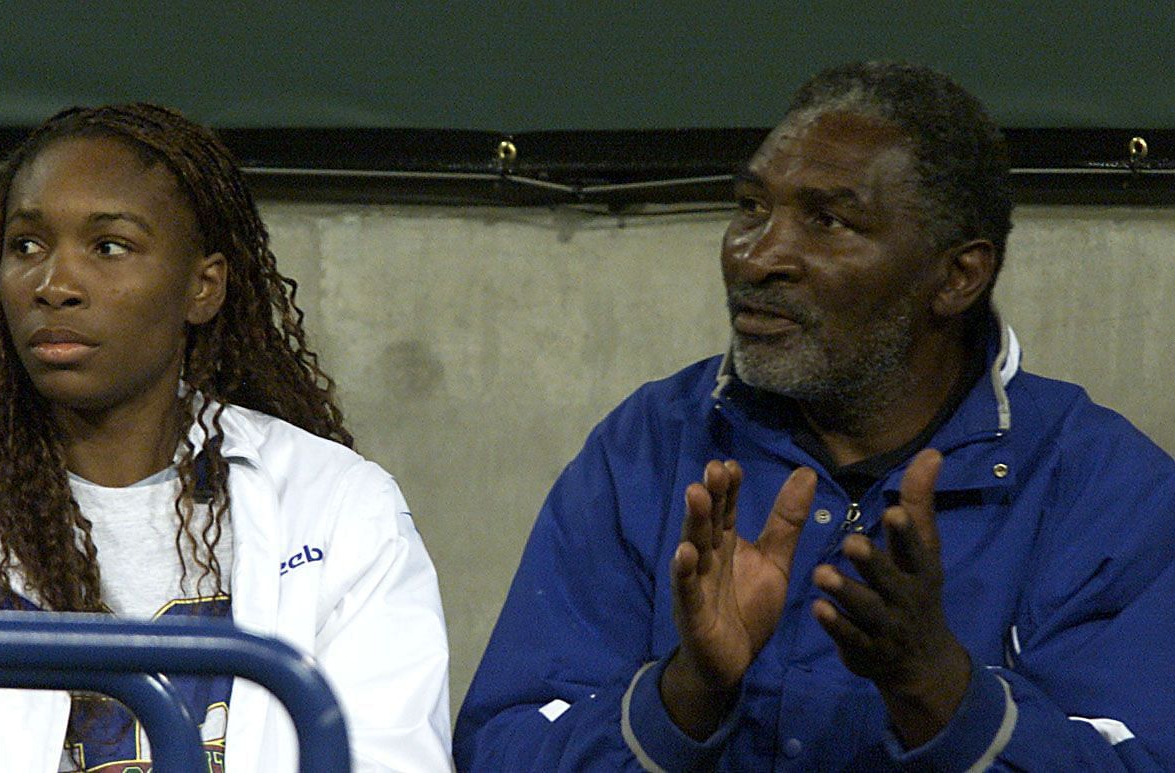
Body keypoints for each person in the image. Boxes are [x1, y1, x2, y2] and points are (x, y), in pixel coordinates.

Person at [455, 62, 1175, 770]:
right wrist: (686, 692)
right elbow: (503, 748)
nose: (757, 255)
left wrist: (940, 693)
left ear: (956, 277)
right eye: (750, 206)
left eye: (827, 220)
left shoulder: (1101, 488)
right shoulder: (652, 444)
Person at [0, 104, 451, 772]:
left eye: (108, 246)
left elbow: (386, 754)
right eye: (26, 245)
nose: (54, 284)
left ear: (202, 288)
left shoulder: (338, 505)